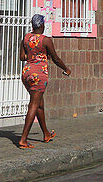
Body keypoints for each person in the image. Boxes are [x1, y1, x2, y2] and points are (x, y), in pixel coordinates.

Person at [17, 14, 71, 149]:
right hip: (39, 75)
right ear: (41, 25)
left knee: (39, 104)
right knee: (34, 105)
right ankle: (23, 140)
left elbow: (22, 57)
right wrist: (66, 69)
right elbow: (56, 59)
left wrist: (30, 51)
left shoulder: (26, 38)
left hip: (27, 73)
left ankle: (46, 134)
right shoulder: (45, 40)